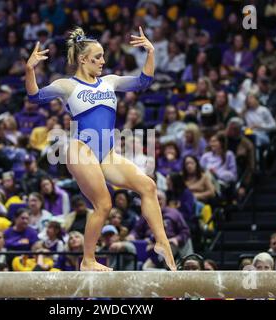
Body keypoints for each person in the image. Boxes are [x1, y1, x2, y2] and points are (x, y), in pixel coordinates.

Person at [25, 26, 176, 271]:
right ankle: (88, 260)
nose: (103, 62)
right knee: (104, 204)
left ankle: (162, 242)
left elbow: (142, 82)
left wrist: (150, 53)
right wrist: (29, 69)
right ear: (83, 59)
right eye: (97, 58)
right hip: (80, 148)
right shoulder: (67, 85)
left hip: (106, 153)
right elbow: (35, 97)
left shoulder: (110, 82)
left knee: (148, 186)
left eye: (104, 56)